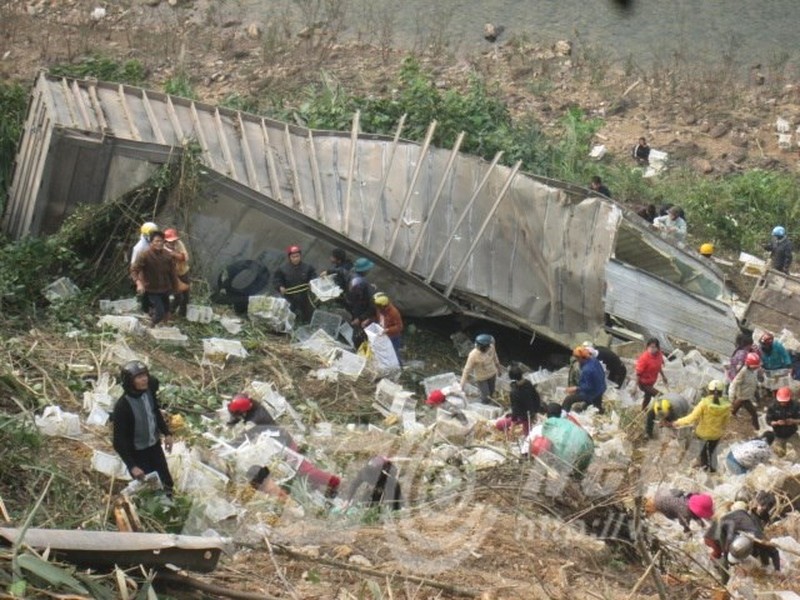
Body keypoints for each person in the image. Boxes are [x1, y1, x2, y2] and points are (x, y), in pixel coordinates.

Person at [227, 394, 340, 496]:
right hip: (276, 441)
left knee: (305, 470)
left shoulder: (256, 419)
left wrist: (229, 445)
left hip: (284, 444)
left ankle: (335, 482)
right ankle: (319, 485)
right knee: (301, 471)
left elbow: (245, 436)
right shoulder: (252, 404)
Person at [112, 361, 174, 495]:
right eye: (139, 377)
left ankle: (171, 506)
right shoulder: (123, 407)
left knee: (167, 483)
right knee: (150, 490)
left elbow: (155, 412)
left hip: (154, 447)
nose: (144, 379)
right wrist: (132, 466)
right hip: (138, 453)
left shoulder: (148, 391)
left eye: (145, 375)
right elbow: (118, 441)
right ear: (130, 381)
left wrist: (167, 433)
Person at [704, 492, 780, 584]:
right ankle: (724, 583)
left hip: (744, 535)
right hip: (717, 535)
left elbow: (772, 550)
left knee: (761, 551)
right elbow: (722, 543)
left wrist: (777, 570)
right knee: (725, 560)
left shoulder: (756, 532)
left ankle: (763, 565)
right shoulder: (726, 524)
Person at [668, 380, 731, 473]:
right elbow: (725, 422)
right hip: (716, 435)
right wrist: (721, 430)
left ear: (709, 391)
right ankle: (713, 470)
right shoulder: (727, 406)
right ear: (722, 392)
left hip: (702, 434)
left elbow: (692, 418)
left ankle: (705, 469)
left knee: (703, 453)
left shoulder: (704, 404)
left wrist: (677, 422)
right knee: (713, 452)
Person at [531, 402, 594, 479]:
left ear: (547, 414)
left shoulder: (547, 424)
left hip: (571, 453)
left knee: (563, 474)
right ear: (560, 413)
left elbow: (543, 444)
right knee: (577, 475)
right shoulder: (567, 421)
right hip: (589, 446)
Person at [131, 230, 179, 326]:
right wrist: (139, 283)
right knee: (159, 313)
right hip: (151, 289)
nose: (159, 243)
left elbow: (172, 273)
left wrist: (175, 287)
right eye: (156, 241)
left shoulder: (167, 255)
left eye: (161, 241)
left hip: (165, 289)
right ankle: (149, 327)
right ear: (151, 242)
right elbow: (134, 270)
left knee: (167, 313)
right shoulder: (144, 255)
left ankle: (163, 331)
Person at [274, 245, 317, 323]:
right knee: (288, 316)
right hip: (289, 297)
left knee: (307, 315)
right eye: (293, 257)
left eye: (297, 256)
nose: (295, 259)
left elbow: (313, 276)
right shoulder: (282, 269)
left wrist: (311, 282)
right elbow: (277, 280)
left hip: (305, 296)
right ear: (289, 257)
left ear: (300, 256)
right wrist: (280, 287)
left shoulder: (308, 267)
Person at [495, 364, 543, 435]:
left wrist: (512, 429)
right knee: (527, 431)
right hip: (531, 413)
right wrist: (535, 412)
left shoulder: (514, 393)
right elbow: (536, 397)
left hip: (524, 417)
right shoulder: (528, 383)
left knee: (499, 424)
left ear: (512, 379)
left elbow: (515, 411)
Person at [563, 346, 607, 414]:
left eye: (577, 358)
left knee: (568, 400)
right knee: (597, 405)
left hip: (593, 392)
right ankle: (599, 409)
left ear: (581, 358)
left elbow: (588, 387)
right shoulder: (594, 360)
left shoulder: (587, 370)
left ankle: (563, 415)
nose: (576, 360)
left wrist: (575, 388)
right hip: (601, 387)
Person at [460, 334, 502, 404]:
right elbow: (466, 370)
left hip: (492, 374)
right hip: (481, 378)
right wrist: (462, 385)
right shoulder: (473, 355)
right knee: (486, 395)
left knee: (491, 392)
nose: (489, 348)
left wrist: (499, 369)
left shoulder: (491, 347)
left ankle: (489, 403)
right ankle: (484, 404)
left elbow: (495, 358)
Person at [644, 489, 713, 532]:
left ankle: (646, 505)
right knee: (650, 508)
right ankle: (646, 510)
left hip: (662, 494)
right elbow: (684, 522)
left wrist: (701, 523)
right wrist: (687, 529)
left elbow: (694, 512)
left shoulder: (690, 496)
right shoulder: (684, 513)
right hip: (661, 503)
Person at [728, 352, 763, 430]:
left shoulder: (753, 371)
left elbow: (754, 379)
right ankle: (757, 428)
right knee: (754, 413)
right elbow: (734, 384)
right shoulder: (743, 372)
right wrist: (731, 396)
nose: (756, 368)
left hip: (747, 393)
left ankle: (731, 415)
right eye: (754, 366)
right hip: (744, 396)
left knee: (737, 405)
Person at [130, 221, 158, 315]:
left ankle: (153, 311)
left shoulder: (153, 243)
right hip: (143, 273)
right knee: (145, 294)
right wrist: (138, 281)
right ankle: (145, 311)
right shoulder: (139, 247)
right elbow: (134, 265)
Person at [765, 386, 800, 458]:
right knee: (779, 455)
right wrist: (776, 423)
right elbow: (768, 420)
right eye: (781, 401)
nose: (783, 403)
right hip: (778, 434)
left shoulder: (796, 405)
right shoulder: (772, 406)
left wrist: (794, 421)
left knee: (798, 450)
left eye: (785, 401)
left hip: (792, 433)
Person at [635, 338, 669, 412]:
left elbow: (658, 366)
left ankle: (643, 410)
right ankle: (660, 412)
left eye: (654, 347)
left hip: (651, 382)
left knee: (648, 396)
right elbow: (638, 372)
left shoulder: (659, 355)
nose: (652, 349)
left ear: (657, 348)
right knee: (659, 396)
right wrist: (636, 386)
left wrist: (663, 376)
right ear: (647, 347)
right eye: (650, 347)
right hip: (643, 382)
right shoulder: (644, 358)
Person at [163, 228, 190, 318]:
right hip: (172, 276)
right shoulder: (162, 249)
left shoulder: (179, 244)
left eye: (174, 241)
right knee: (178, 296)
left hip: (183, 272)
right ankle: (169, 312)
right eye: (170, 241)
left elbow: (184, 257)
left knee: (186, 296)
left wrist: (173, 254)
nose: (172, 243)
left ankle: (182, 315)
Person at [372, 292, 403, 364]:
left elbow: (399, 327)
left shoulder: (394, 312)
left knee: (394, 353)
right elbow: (379, 318)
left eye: (379, 306)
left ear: (384, 306)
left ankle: (399, 366)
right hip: (383, 334)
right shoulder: (379, 310)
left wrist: (388, 330)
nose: (378, 308)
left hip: (393, 337)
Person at [346, 257, 377, 329]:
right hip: (360, 308)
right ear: (365, 270)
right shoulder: (363, 284)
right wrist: (360, 318)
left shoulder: (351, 275)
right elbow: (372, 305)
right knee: (358, 327)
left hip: (351, 305)